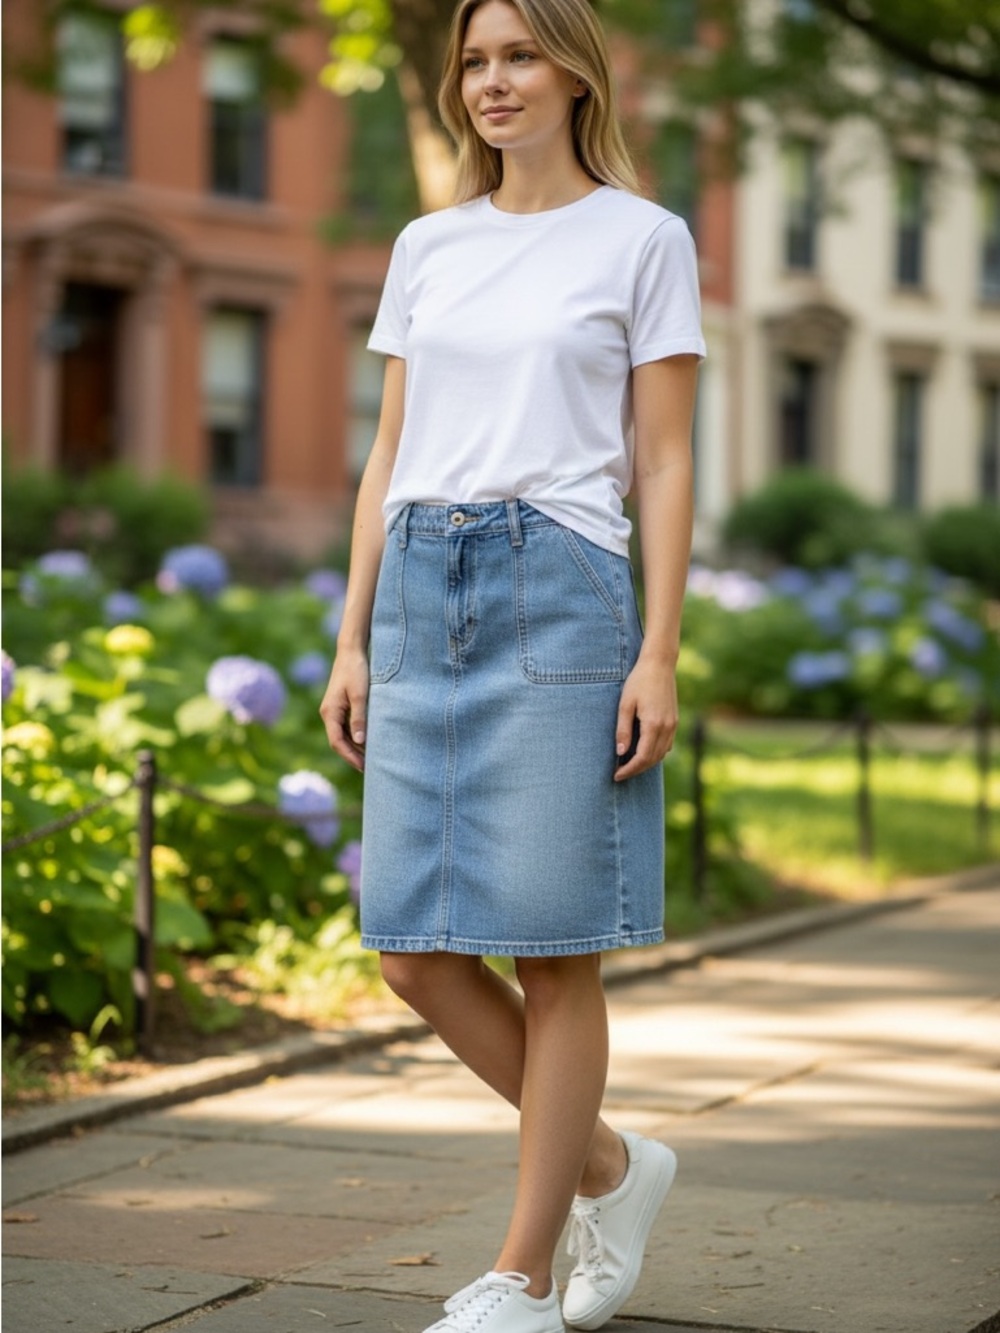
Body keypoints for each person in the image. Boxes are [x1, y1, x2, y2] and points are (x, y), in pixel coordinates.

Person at [320, 0, 705, 1328]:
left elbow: (662, 458)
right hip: (425, 589)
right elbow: (390, 450)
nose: (493, 80)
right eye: (475, 60)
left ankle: (521, 1274)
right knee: (413, 951)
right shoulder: (429, 244)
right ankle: (608, 1164)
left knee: (553, 946)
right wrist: (353, 629)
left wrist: (659, 647)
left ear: (576, 74)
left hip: (563, 586)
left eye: (520, 55)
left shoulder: (645, 240)